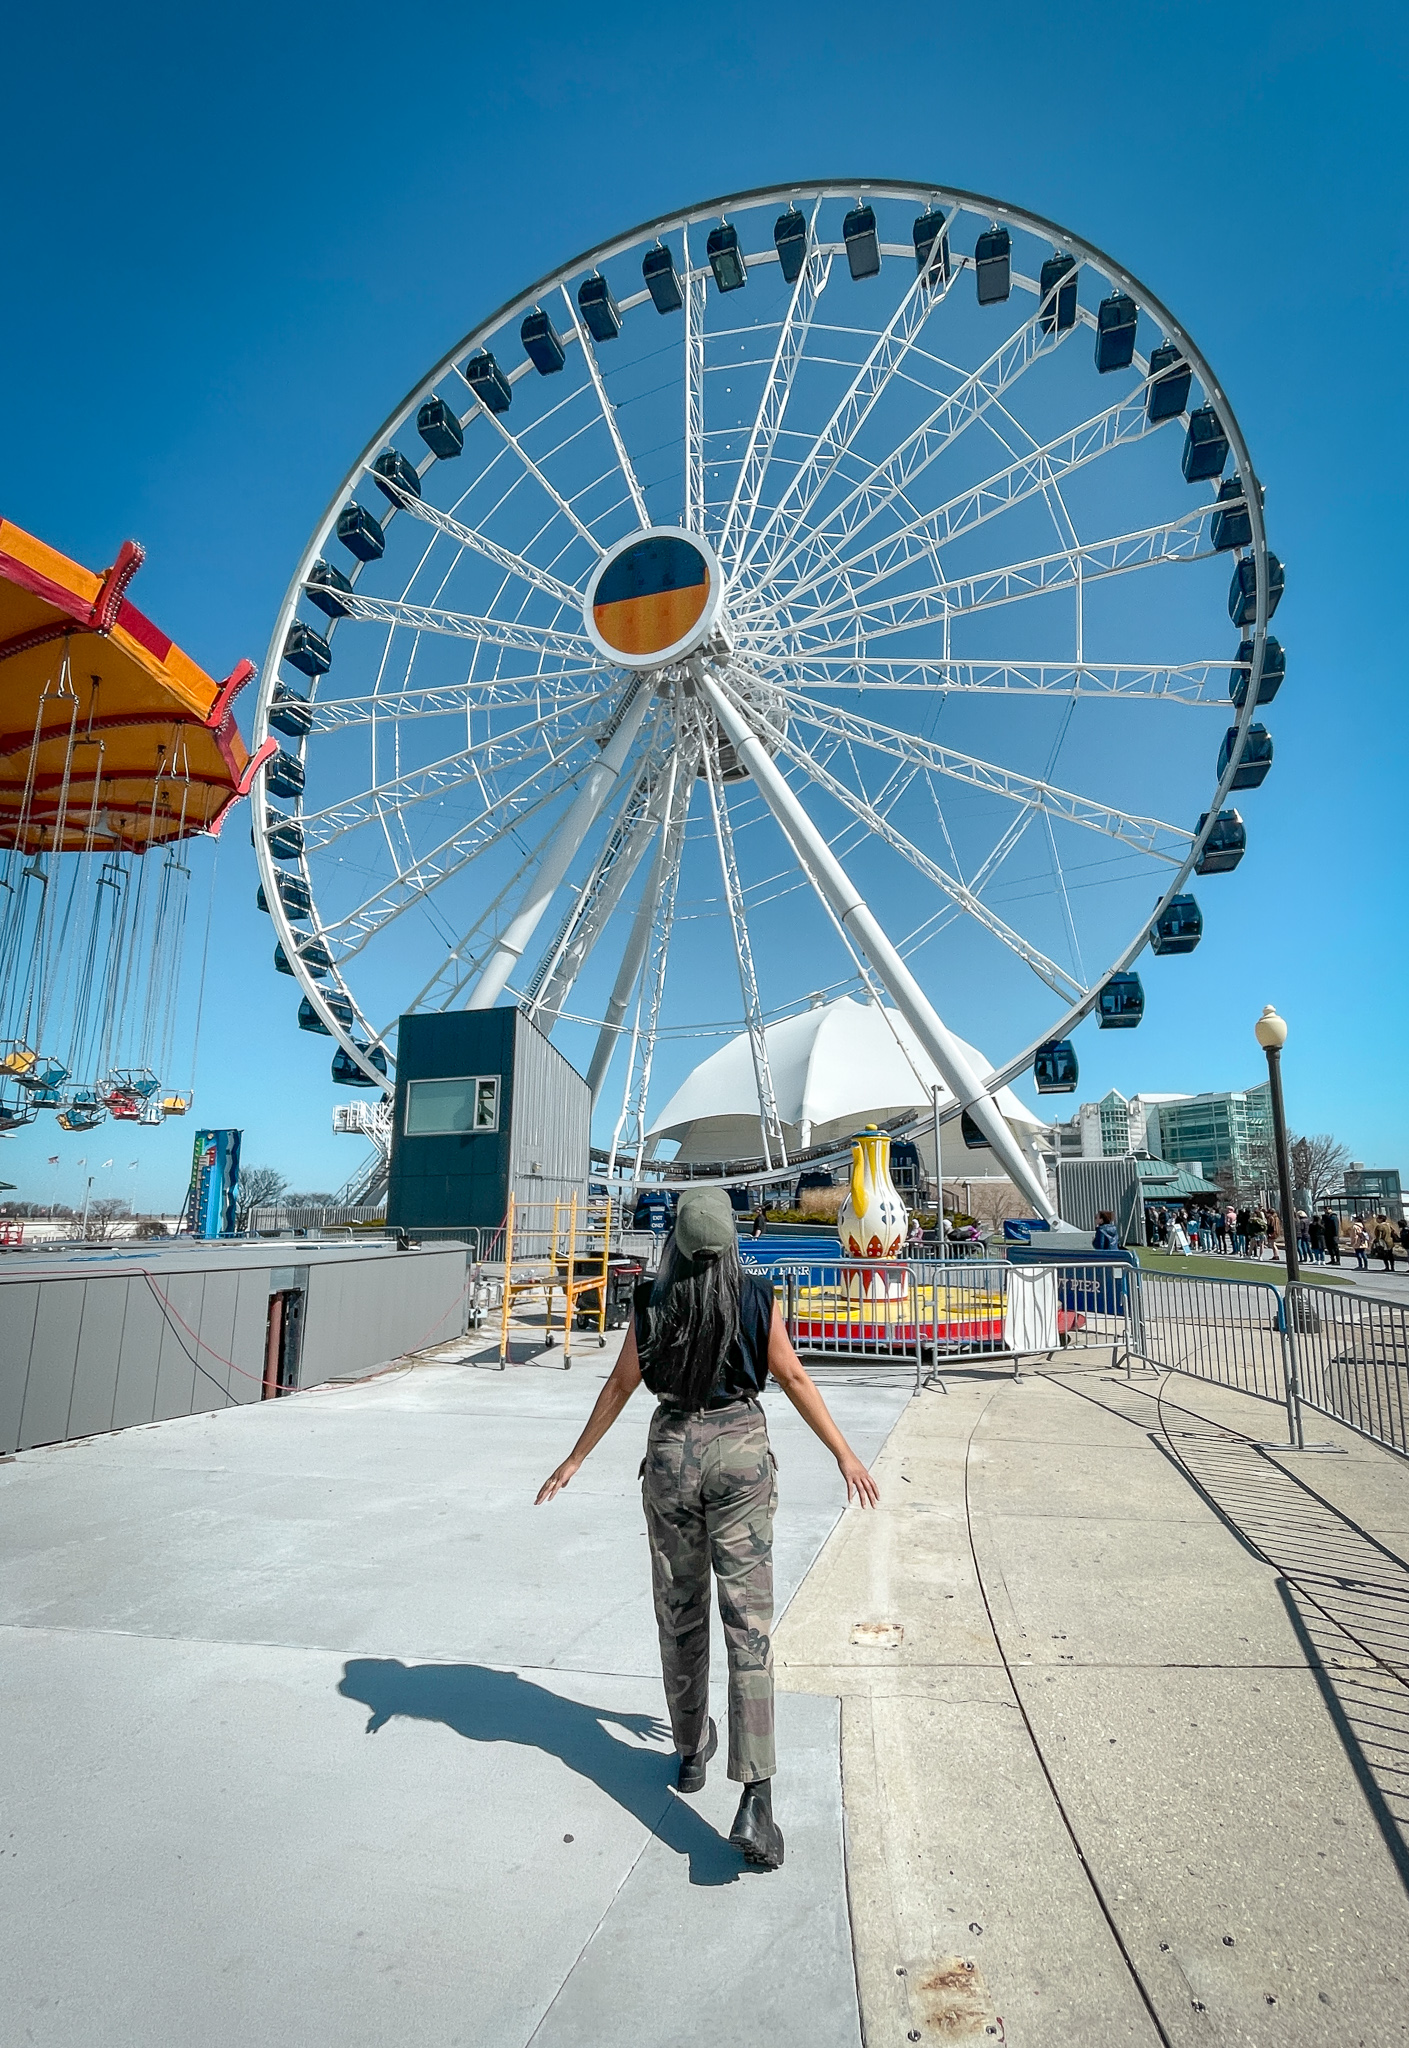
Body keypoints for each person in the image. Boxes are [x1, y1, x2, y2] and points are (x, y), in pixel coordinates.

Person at [536, 1185, 879, 1872]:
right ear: (728, 1239)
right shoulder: (756, 1298)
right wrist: (842, 1452)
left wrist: (576, 1457)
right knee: (747, 1626)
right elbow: (795, 1379)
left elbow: (618, 1386)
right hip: (741, 1457)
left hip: (670, 1459)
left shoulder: (651, 1299)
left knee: (680, 1611)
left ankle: (691, 1751)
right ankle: (756, 1794)